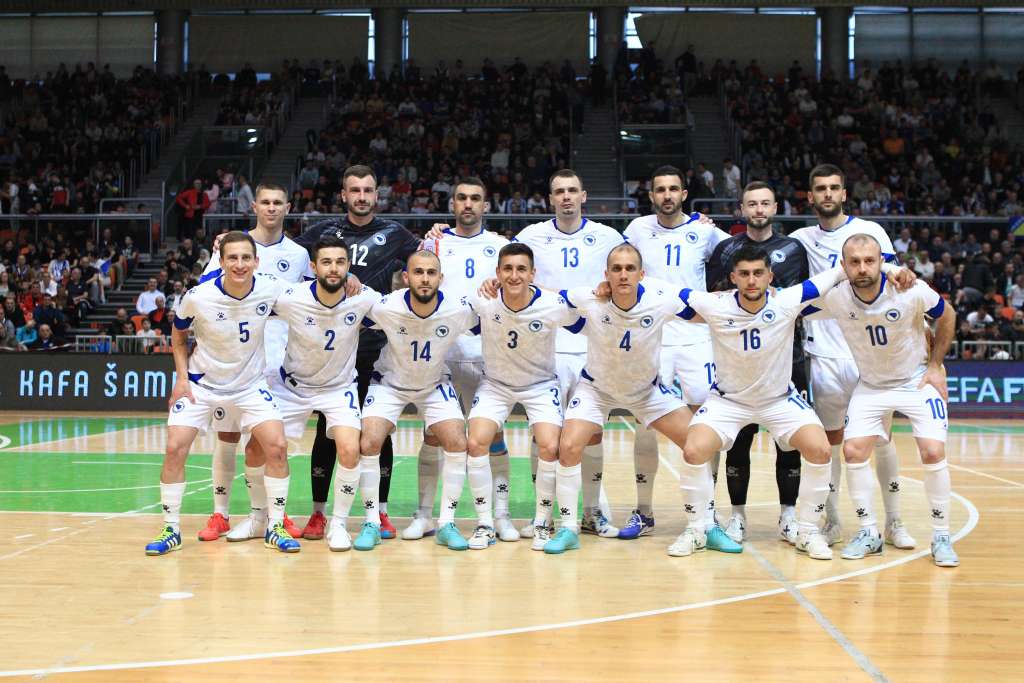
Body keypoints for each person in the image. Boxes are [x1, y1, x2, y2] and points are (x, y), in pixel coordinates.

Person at [674, 244, 911, 560]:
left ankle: (808, 531)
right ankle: (696, 529)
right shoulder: (715, 305)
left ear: (770, 277)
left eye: (758, 273)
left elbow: (837, 273)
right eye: (744, 274)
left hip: (779, 400)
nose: (751, 280)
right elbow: (669, 293)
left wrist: (891, 269)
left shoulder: (786, 301)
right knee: (693, 450)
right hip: (728, 401)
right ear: (733, 278)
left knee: (820, 449)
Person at [543, 244, 735, 555]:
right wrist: (508, 286)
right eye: (616, 269)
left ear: (641, 274)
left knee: (697, 444)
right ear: (606, 274)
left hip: (646, 391)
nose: (623, 274)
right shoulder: (589, 298)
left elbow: (704, 309)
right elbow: (546, 296)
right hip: (597, 389)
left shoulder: (660, 299)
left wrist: (743, 302)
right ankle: (568, 528)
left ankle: (705, 525)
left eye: (630, 268)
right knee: (568, 446)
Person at [801, 234, 958, 567]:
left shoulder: (909, 289)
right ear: (843, 266)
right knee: (853, 451)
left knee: (932, 451)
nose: (862, 268)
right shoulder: (836, 298)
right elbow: (794, 305)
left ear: (882, 262)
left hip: (916, 380)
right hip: (871, 386)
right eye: (854, 262)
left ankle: (942, 536)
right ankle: (869, 531)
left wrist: (936, 365)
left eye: (870, 261)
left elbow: (947, 315)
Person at [144, 231, 295, 556]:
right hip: (202, 384)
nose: (240, 264)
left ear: (256, 261)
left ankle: (275, 526)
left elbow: (312, 295)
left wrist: (350, 280)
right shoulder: (197, 296)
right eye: (233, 258)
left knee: (277, 447)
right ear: (221, 262)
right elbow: (178, 336)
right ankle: (171, 529)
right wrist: (181, 379)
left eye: (246, 258)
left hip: (250, 386)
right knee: (174, 448)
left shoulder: (271, 288)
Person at [292, 165, 422, 541]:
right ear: (344, 195)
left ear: (376, 195)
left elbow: (428, 261)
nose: (361, 196)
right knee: (328, 431)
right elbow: (283, 257)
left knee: (377, 430)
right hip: (333, 353)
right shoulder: (322, 233)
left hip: (378, 350)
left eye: (367, 190)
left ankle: (379, 511)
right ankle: (319, 513)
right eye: (355, 190)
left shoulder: (395, 234)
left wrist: (438, 235)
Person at [790, 163, 914, 550]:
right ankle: (833, 521)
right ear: (810, 196)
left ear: (844, 194)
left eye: (834, 188)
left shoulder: (870, 231)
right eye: (820, 188)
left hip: (870, 355)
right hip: (824, 353)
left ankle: (894, 522)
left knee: (881, 439)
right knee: (830, 442)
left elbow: (892, 274)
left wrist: (903, 274)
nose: (827, 194)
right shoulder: (799, 240)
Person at [233, 236, 379, 552]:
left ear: (348, 266)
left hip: (339, 389)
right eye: (326, 262)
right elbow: (248, 288)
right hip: (293, 388)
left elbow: (404, 310)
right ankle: (260, 517)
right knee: (256, 448)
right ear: (313, 267)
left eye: (340, 262)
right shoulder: (291, 297)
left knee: (350, 450)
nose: (333, 268)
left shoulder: (363, 298)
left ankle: (337, 524)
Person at [510, 169, 625, 540]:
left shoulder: (609, 237)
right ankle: (541, 516)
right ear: (550, 198)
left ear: (583, 195)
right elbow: (508, 268)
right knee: (543, 435)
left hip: (594, 347)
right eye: (559, 191)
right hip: (545, 348)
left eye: (572, 190)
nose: (566, 197)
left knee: (591, 433)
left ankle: (592, 511)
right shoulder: (530, 236)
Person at [619, 165, 729, 540]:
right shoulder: (637, 229)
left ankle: (707, 514)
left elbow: (740, 254)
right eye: (660, 190)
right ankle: (644, 510)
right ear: (651, 195)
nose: (667, 195)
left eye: (673, 189)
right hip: (652, 336)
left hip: (697, 336)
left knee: (705, 423)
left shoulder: (704, 230)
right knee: (644, 423)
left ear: (684, 194)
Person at [199, 182, 313, 544]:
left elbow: (310, 300)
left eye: (278, 202)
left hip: (277, 359)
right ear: (255, 206)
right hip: (233, 359)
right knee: (228, 436)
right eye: (265, 202)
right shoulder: (231, 246)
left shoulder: (298, 255)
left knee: (270, 443)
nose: (271, 208)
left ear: (288, 207)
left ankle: (271, 514)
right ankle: (220, 513)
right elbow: (204, 292)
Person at [404, 178, 514, 542]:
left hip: (488, 351)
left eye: (475, 198)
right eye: (462, 198)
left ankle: (500, 516)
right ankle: (425, 515)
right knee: (434, 434)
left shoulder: (500, 246)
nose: (468, 204)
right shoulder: (433, 243)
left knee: (493, 435)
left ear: (486, 205)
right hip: (444, 352)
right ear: (452, 204)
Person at [706, 182, 810, 544]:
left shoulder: (793, 248)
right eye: (752, 204)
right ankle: (737, 517)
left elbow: (805, 298)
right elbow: (713, 297)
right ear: (742, 209)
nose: (759, 209)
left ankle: (789, 516)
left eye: (765, 203)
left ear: (775, 207)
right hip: (738, 362)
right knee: (738, 442)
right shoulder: (725, 250)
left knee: (789, 442)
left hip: (787, 358)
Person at [359, 250, 477, 551]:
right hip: (390, 384)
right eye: (418, 272)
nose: (425, 278)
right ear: (406, 277)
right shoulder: (386, 306)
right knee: (369, 442)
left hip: (433, 384)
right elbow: (351, 315)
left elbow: (493, 318)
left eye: (431, 272)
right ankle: (371, 522)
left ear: (440, 278)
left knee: (457, 442)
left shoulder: (458, 309)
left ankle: (446, 523)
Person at [467, 243, 583, 550]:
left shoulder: (553, 304)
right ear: (497, 273)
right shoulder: (483, 301)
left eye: (521, 269)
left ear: (532, 274)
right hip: (496, 385)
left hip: (540, 385)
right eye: (507, 269)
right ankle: (487, 523)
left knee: (550, 446)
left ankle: (542, 523)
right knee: (476, 442)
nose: (514, 275)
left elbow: (588, 321)